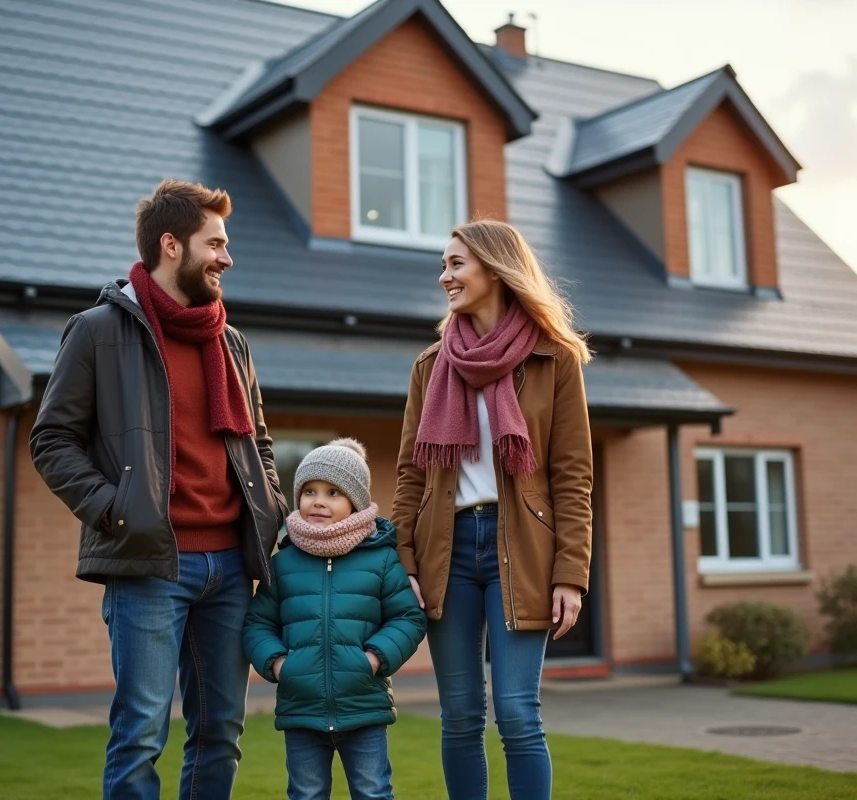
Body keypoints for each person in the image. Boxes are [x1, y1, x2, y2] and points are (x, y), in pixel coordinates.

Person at [29, 179, 287, 800]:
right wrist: (116, 512)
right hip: (148, 562)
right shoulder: (96, 332)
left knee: (221, 731)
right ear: (171, 246)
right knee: (141, 733)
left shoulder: (232, 343)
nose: (227, 257)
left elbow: (261, 447)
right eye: (215, 243)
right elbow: (51, 441)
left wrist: (272, 505)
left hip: (231, 567)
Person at [391, 219, 594, 800]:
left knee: (517, 714)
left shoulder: (553, 361)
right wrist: (404, 557)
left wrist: (570, 574)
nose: (444, 275)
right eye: (444, 264)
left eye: (456, 263)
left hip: (522, 551)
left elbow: (572, 475)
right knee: (458, 715)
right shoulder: (431, 367)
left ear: (495, 267)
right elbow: (411, 473)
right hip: (445, 552)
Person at [243, 438, 427, 800]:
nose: (319, 501)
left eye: (333, 492)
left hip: (364, 706)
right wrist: (279, 664)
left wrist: (373, 659)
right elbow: (257, 624)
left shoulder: (382, 559)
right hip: (302, 708)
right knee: (306, 793)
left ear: (355, 501)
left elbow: (407, 617)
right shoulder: (283, 563)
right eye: (309, 490)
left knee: (373, 792)